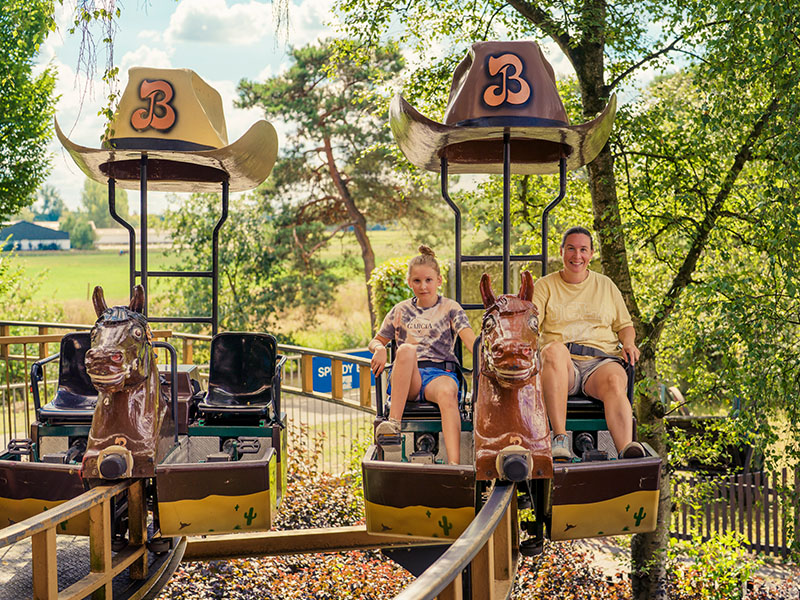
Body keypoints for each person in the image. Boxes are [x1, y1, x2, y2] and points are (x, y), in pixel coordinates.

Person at [532, 226, 645, 460]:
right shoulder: (544, 286)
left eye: (583, 250)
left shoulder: (605, 285)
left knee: (615, 378)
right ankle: (560, 438)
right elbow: (532, 326)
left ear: (591, 254)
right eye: (571, 249)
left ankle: (627, 449)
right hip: (564, 366)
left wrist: (629, 343)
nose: (577, 256)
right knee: (553, 350)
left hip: (600, 363)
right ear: (561, 251)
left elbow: (625, 326)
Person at [369, 245, 477, 465]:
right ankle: (393, 425)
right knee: (407, 349)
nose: (423, 286)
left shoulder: (450, 308)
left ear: (438, 281)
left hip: (438, 375)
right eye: (417, 281)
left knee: (448, 392)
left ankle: (455, 465)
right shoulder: (400, 310)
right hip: (408, 378)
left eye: (428, 280)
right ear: (410, 282)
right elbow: (377, 340)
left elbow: (471, 341)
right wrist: (379, 349)